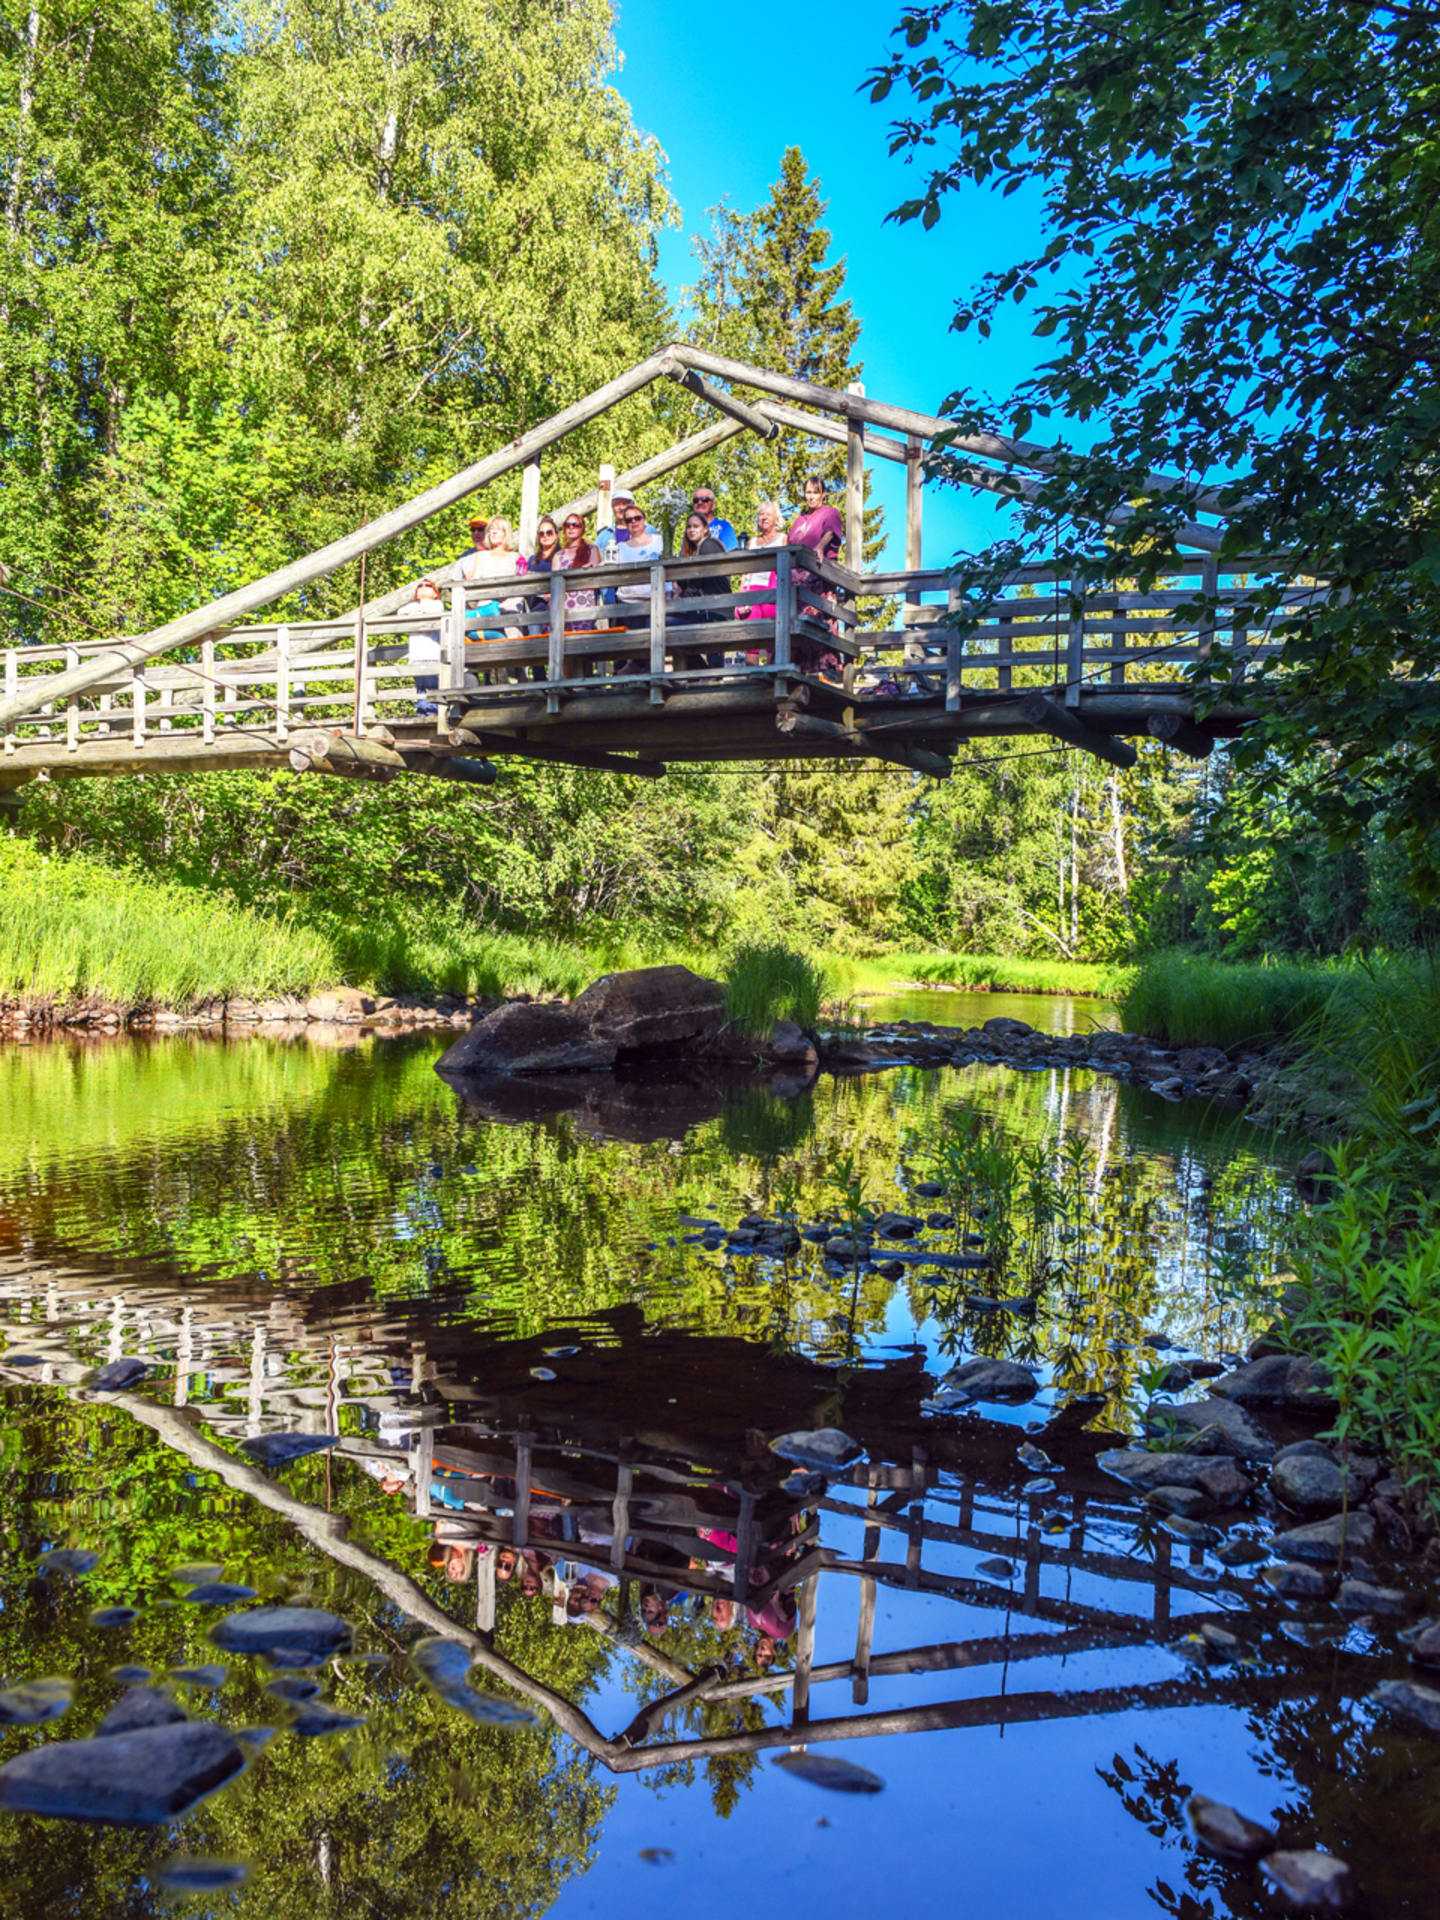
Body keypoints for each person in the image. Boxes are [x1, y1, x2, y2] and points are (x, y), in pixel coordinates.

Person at [787, 473, 846, 676]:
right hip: (797, 581)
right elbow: (790, 543)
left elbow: (830, 532)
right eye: (808, 492)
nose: (811, 496)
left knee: (819, 621)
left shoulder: (830, 513)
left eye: (815, 492)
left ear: (823, 494)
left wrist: (819, 547)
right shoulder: (800, 520)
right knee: (796, 624)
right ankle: (798, 670)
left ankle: (826, 669)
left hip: (818, 577)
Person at [606, 501, 665, 674]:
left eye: (637, 518)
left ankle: (639, 672)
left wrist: (675, 587)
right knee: (636, 640)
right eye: (629, 520)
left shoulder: (659, 541)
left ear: (644, 520)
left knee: (653, 637)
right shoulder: (620, 548)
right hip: (629, 602)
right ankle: (635, 674)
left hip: (656, 600)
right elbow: (608, 566)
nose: (633, 522)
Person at [672, 509, 730, 671]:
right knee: (674, 634)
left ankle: (711, 677)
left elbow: (700, 578)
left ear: (705, 529)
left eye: (696, 526)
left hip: (715, 610)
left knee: (714, 654)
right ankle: (703, 674)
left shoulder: (709, 544)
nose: (691, 530)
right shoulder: (693, 552)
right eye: (689, 527)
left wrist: (681, 599)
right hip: (702, 610)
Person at [737, 499, 786, 663]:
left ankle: (772, 675)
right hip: (751, 593)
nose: (764, 518)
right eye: (761, 514)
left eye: (768, 514)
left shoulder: (783, 539)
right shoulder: (751, 542)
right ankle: (752, 674)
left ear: (776, 519)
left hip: (772, 593)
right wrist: (741, 596)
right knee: (752, 640)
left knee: (773, 639)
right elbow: (745, 572)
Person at [394, 576, 444, 714]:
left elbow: (434, 612)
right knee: (421, 688)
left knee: (433, 687)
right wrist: (418, 610)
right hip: (417, 655)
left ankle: (433, 713)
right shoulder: (412, 606)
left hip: (432, 654)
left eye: (428, 586)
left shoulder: (437, 604)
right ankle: (422, 713)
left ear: (435, 593)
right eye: (420, 586)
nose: (423, 588)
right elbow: (400, 612)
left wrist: (417, 613)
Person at [555, 512, 602, 632]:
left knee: (583, 638)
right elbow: (553, 584)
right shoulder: (559, 555)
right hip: (562, 605)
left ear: (582, 528)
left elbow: (596, 577)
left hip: (584, 602)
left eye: (575, 525)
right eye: (567, 525)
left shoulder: (591, 549)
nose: (571, 528)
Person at [691, 484, 737, 551]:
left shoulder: (724, 527)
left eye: (704, 499)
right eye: (696, 500)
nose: (699, 502)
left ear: (713, 506)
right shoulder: (690, 530)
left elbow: (731, 554)